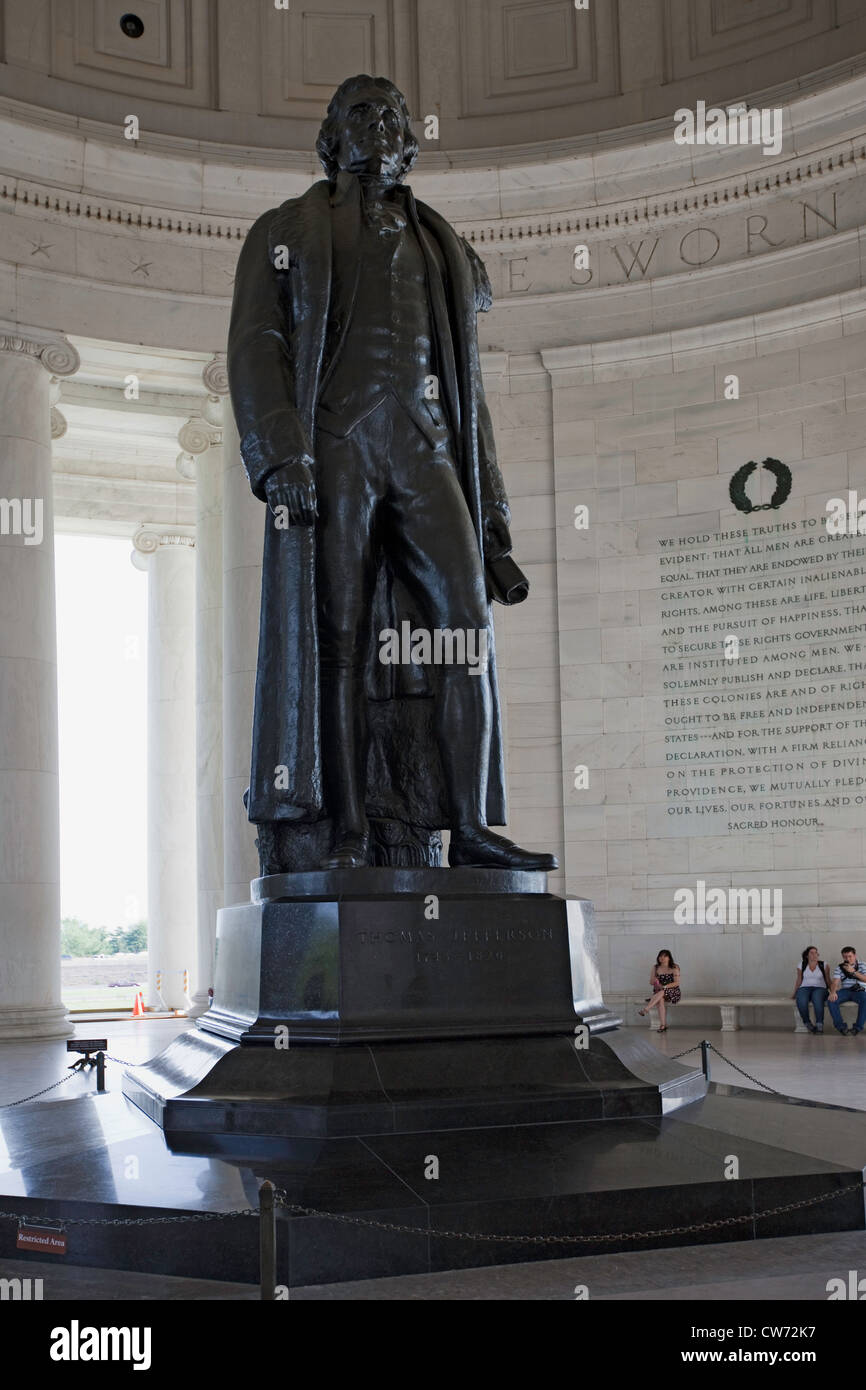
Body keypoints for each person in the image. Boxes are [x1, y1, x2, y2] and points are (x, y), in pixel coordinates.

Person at [227, 73, 558, 875]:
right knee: (335, 641)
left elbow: (469, 390)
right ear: (333, 136)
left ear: (410, 139)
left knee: (465, 632)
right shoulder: (286, 230)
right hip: (334, 442)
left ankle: (471, 824)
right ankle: (344, 828)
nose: (378, 125)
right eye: (360, 113)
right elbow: (255, 348)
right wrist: (281, 456)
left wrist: (497, 520)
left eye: (391, 115)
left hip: (427, 442)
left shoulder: (443, 243)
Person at [638, 949, 681, 1032]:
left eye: (665, 956)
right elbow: (651, 982)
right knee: (660, 1000)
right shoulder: (655, 967)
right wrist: (655, 981)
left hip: (673, 991)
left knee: (662, 992)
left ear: (669, 958)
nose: (662, 958)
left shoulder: (674, 967)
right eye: (660, 956)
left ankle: (646, 1009)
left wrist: (664, 986)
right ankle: (663, 1025)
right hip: (659, 991)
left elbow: (677, 983)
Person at [827, 947, 866, 1035]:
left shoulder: (863, 965)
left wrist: (854, 972)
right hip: (846, 990)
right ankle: (841, 1027)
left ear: (855, 955)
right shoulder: (840, 967)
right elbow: (835, 982)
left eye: (850, 956)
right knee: (831, 1000)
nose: (847, 959)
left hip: (860, 991)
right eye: (845, 957)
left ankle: (857, 1028)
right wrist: (833, 992)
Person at [791, 946, 829, 1033]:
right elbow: (799, 980)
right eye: (812, 953)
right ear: (807, 955)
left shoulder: (824, 964)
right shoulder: (801, 965)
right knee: (801, 1000)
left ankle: (819, 1024)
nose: (814, 954)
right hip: (804, 987)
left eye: (816, 952)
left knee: (817, 998)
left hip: (820, 988)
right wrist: (794, 993)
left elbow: (828, 979)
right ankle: (807, 1023)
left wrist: (832, 991)